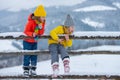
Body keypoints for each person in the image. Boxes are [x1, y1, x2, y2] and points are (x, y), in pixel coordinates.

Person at [23, 5, 46, 77]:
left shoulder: (41, 23)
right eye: (43, 17)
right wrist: (32, 34)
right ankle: (26, 69)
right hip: (27, 41)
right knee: (27, 55)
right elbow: (26, 31)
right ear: (38, 17)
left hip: (34, 42)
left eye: (44, 17)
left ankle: (33, 69)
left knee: (34, 55)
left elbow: (41, 33)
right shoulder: (31, 22)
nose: (44, 18)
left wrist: (41, 26)